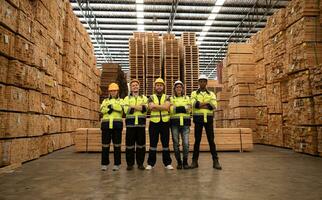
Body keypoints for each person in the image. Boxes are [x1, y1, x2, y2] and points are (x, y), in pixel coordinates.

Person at [190, 75, 222, 170]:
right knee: (197, 141)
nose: (202, 83)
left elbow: (213, 106)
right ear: (198, 82)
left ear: (206, 82)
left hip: (208, 120)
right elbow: (194, 104)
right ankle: (194, 161)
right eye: (201, 81)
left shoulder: (211, 94)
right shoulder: (194, 93)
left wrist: (200, 104)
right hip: (198, 120)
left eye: (204, 81)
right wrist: (206, 104)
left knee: (211, 141)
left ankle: (215, 161)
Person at [146, 78, 174, 170]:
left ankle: (167, 163)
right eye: (157, 85)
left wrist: (156, 106)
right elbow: (150, 107)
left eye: (160, 85)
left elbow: (166, 107)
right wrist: (162, 107)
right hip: (154, 123)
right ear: (155, 86)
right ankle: (151, 163)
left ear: (163, 87)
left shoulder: (167, 97)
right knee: (153, 144)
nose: (159, 87)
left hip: (165, 123)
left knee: (165, 144)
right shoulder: (151, 97)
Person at [123, 79, 148, 170]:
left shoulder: (144, 98)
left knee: (141, 145)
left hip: (141, 125)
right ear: (130, 87)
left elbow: (145, 109)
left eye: (136, 85)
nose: (135, 87)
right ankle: (130, 164)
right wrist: (139, 107)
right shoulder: (126, 98)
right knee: (129, 145)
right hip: (130, 126)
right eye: (133, 85)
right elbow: (126, 110)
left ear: (139, 86)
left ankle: (140, 163)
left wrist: (132, 107)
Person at [100, 83, 124, 171]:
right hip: (106, 125)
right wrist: (108, 109)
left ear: (117, 92)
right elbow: (102, 109)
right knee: (105, 145)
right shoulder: (105, 101)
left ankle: (117, 164)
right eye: (111, 91)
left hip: (117, 125)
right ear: (109, 92)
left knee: (117, 145)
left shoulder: (121, 101)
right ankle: (104, 164)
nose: (113, 92)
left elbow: (122, 109)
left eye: (115, 91)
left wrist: (112, 107)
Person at [169, 80, 191, 169]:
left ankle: (185, 162)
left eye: (180, 87)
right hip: (174, 123)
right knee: (176, 143)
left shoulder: (187, 98)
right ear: (174, 89)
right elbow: (171, 110)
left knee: (186, 143)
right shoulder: (171, 98)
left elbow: (189, 109)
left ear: (182, 89)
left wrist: (177, 108)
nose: (179, 88)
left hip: (185, 123)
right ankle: (179, 162)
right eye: (177, 87)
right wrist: (183, 108)